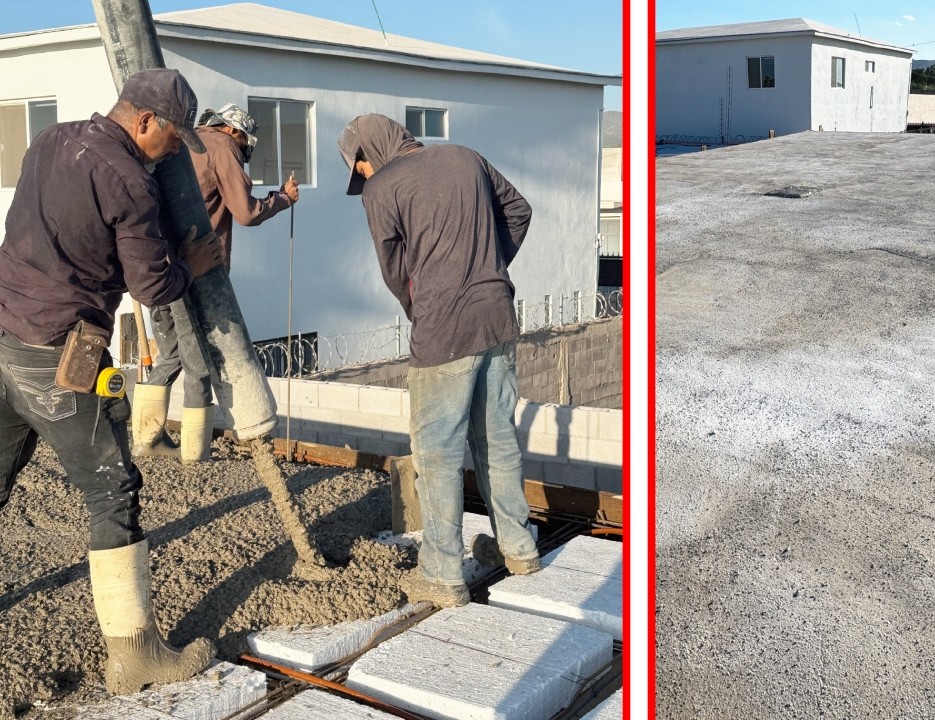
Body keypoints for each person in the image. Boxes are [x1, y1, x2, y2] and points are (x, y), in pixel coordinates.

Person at [0, 68, 222, 695]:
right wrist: (191, 266)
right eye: (174, 139)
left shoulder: (50, 139)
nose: (176, 151)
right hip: (57, 349)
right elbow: (152, 288)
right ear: (146, 121)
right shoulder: (129, 181)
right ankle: (135, 656)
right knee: (112, 489)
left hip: (3, 330)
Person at [338, 113, 541, 607]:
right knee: (497, 436)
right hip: (495, 315)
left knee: (437, 453)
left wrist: (423, 303)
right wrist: (487, 270)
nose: (362, 175)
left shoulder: (382, 187)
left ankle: (442, 573)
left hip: (443, 329)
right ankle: (519, 548)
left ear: (370, 152)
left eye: (358, 166)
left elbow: (393, 270)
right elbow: (520, 210)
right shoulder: (464, 156)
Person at [133, 103, 298, 463]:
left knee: (173, 352)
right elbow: (246, 212)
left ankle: (144, 439)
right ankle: (195, 452)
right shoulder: (224, 149)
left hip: (155, 268)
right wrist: (282, 199)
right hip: (193, 272)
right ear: (237, 133)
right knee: (200, 364)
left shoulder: (180, 143)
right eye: (245, 144)